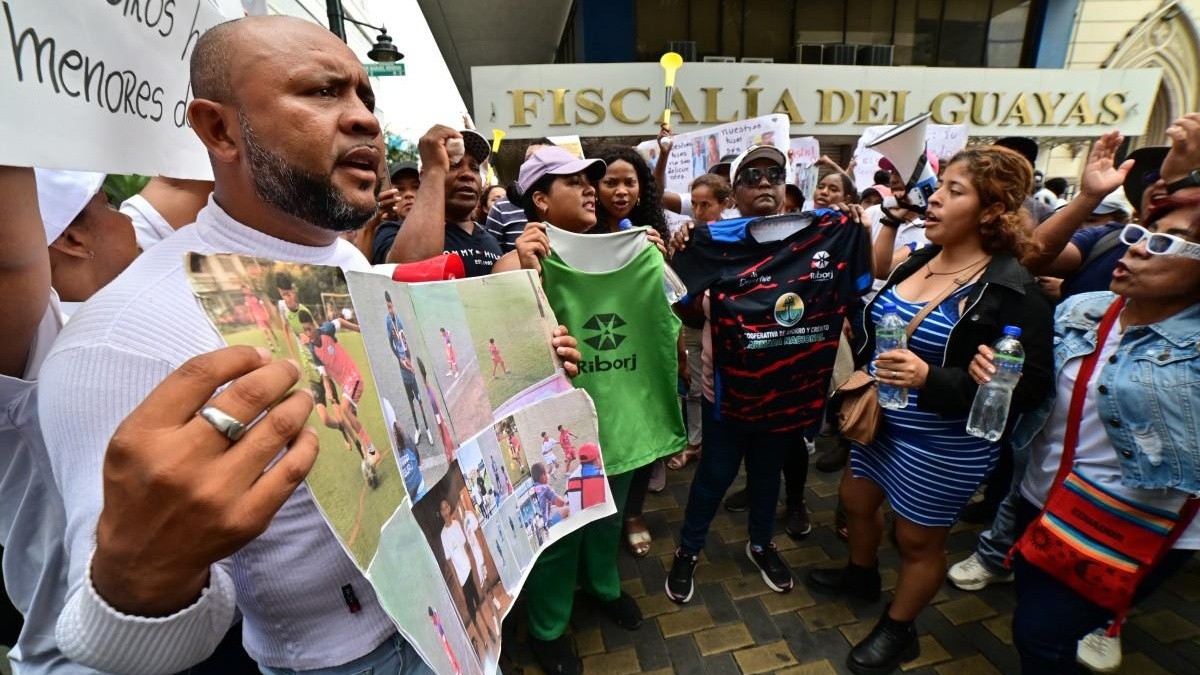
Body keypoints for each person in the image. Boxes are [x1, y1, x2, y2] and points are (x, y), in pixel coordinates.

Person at [38, 16, 585, 675]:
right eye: (323, 92)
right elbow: (103, 642)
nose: (364, 119)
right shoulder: (126, 339)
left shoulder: (363, 277)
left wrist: (527, 364)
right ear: (218, 128)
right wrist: (141, 579)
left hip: (463, 621)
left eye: (365, 96)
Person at [805, 145, 1055, 675]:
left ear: (991, 211)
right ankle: (861, 575)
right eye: (939, 188)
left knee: (918, 540)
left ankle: (900, 629)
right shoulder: (920, 257)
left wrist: (932, 378)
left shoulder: (1013, 290)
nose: (935, 199)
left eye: (954, 191)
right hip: (880, 422)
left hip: (943, 443)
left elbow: (1030, 388)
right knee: (855, 501)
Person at [496, 146, 684, 674]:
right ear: (539, 199)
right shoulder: (519, 260)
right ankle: (547, 627)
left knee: (608, 518)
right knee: (561, 531)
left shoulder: (628, 249)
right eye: (573, 182)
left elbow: (673, 305)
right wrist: (521, 265)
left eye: (590, 181)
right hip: (558, 429)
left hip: (625, 416)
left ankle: (603, 587)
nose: (589, 190)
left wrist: (658, 252)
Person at [996, 196, 1200, 674]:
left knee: (1041, 635)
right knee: (1030, 613)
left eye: (1167, 242)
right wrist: (1002, 376)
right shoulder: (1083, 308)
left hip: (1134, 519)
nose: (1138, 250)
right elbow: (1037, 385)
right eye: (1140, 234)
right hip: (1041, 496)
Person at [666, 145, 872, 603]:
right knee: (712, 478)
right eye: (752, 175)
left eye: (774, 174)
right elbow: (679, 305)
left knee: (767, 476)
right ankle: (687, 550)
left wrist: (856, 224)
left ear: (785, 187)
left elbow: (862, 282)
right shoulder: (714, 241)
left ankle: (761, 543)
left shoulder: (830, 233)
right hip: (727, 394)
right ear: (734, 192)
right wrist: (683, 250)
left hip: (789, 391)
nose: (764, 181)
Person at [387, 127, 502, 276]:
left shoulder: (491, 238)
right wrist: (434, 169)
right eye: (453, 165)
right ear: (425, 175)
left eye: (474, 168)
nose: (468, 174)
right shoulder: (394, 232)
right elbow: (410, 279)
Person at [384, 290, 432, 443]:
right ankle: (418, 429)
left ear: (394, 306)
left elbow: (405, 343)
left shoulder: (399, 322)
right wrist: (398, 358)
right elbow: (390, 342)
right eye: (388, 307)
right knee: (410, 401)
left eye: (391, 307)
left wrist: (408, 361)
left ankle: (428, 429)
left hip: (409, 368)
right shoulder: (387, 321)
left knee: (419, 400)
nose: (390, 310)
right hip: (403, 371)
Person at [367, 161, 420, 264]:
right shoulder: (386, 231)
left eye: (416, 187)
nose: (408, 194)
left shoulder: (449, 225)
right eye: (399, 189)